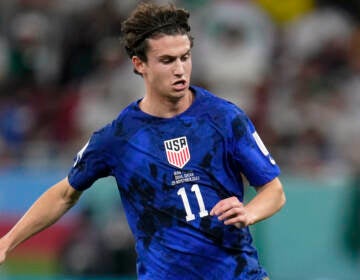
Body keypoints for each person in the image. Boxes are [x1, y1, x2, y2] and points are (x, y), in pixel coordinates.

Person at [0, 2, 286, 279]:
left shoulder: (224, 118)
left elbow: (274, 191)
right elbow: (64, 194)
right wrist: (7, 242)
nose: (180, 69)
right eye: (167, 60)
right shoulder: (120, 137)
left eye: (185, 57)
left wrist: (248, 213)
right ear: (140, 64)